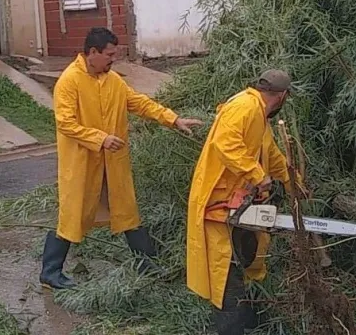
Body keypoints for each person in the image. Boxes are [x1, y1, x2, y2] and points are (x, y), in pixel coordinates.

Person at [39, 27, 203, 290]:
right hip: (82, 162)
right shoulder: (69, 82)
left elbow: (139, 103)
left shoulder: (112, 80)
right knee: (73, 214)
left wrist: (173, 119)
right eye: (109, 55)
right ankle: (50, 272)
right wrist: (100, 138)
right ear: (92, 53)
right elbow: (65, 124)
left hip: (112, 162)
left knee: (127, 210)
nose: (113, 59)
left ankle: (145, 262)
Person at [185, 69, 298, 335]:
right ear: (282, 96)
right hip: (219, 203)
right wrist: (258, 176)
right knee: (225, 272)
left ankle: (246, 321)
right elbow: (226, 144)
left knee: (245, 261)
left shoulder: (259, 114)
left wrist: (295, 183)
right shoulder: (244, 107)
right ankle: (230, 327)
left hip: (237, 203)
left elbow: (271, 153)